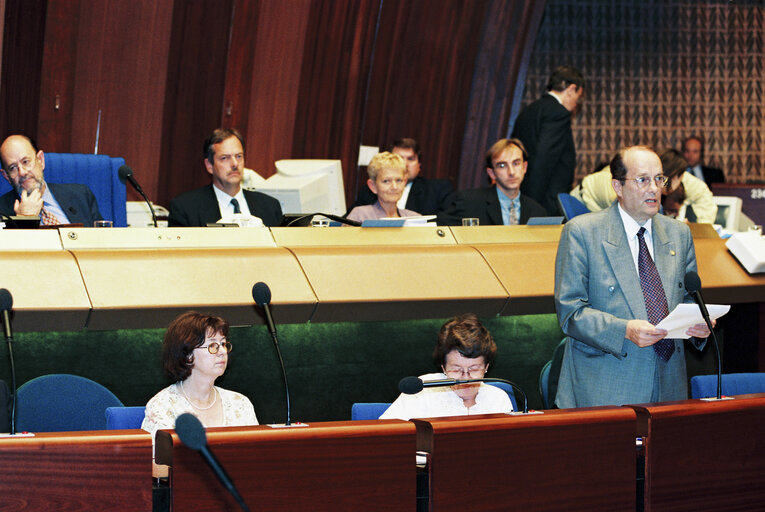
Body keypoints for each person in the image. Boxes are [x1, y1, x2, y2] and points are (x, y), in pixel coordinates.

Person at [554, 146, 712, 408]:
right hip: (605, 388)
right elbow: (571, 313)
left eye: (659, 179)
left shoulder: (679, 234)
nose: (654, 188)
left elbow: (688, 297)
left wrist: (698, 324)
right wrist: (624, 330)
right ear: (617, 186)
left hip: (669, 388)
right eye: (643, 180)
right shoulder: (582, 232)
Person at [142, 311, 258, 474]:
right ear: (188, 355)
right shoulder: (163, 405)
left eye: (223, 344)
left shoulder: (240, 403)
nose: (222, 352)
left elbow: (257, 460)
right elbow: (157, 470)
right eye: (212, 346)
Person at [380, 314, 514, 420]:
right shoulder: (424, 390)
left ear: (486, 367)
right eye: (456, 369)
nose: (465, 378)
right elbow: (386, 435)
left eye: (474, 369)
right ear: (443, 368)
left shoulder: (498, 398)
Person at [168, 128, 283, 227]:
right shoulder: (186, 208)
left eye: (239, 156)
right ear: (209, 166)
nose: (234, 164)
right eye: (224, 158)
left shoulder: (270, 207)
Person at [512, 66, 585, 216]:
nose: (576, 103)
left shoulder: (530, 110)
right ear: (571, 89)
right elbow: (543, 160)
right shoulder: (558, 113)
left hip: (524, 193)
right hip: (544, 200)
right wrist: (533, 205)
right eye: (578, 96)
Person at [576, 149, 717, 224]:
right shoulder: (627, 183)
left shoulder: (665, 177)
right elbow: (637, 218)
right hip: (582, 201)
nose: (654, 189)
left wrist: (701, 227)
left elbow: (702, 194)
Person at [0, 135, 102, 225]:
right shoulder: (2, 211)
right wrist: (24, 220)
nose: (22, 172)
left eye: (26, 162)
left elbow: (102, 241)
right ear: (6, 176)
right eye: (13, 168)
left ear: (40, 160)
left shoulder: (81, 195)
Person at [443, 138, 547, 225]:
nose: (511, 172)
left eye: (516, 163)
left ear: (524, 167)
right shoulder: (468, 203)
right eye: (502, 165)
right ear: (492, 173)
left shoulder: (538, 212)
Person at [351, 138, 453, 216]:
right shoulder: (365, 199)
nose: (404, 164)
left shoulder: (436, 190)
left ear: (419, 165)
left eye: (410, 159)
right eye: (399, 158)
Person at [346, 152, 421, 222]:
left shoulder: (415, 219)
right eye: (386, 181)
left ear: (404, 182)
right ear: (373, 186)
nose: (394, 187)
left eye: (398, 180)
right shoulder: (360, 216)